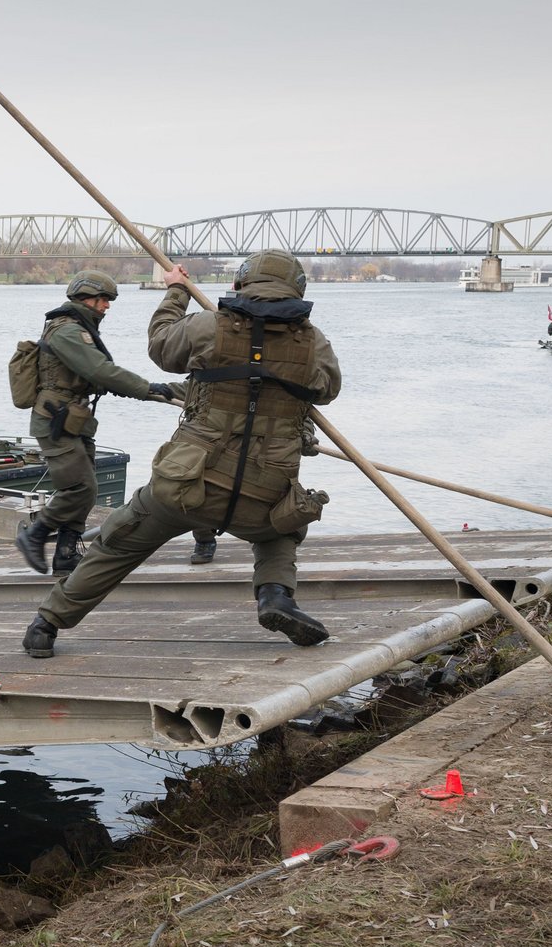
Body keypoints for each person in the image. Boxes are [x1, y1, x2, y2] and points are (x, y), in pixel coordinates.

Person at [23, 250, 342, 658]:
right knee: (282, 531)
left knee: (117, 545)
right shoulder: (313, 344)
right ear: (297, 289)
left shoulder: (208, 327)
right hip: (262, 491)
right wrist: (296, 333)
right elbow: (327, 390)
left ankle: (46, 624)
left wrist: (176, 292)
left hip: (187, 484)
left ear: (240, 283)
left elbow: (161, 346)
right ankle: (276, 596)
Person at [14, 270, 181, 576]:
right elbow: (100, 371)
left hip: (74, 419)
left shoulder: (80, 329)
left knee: (87, 490)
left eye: (108, 300)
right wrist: (146, 387)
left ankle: (65, 554)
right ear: (84, 298)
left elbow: (98, 376)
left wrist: (148, 389)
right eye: (103, 299)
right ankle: (34, 534)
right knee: (79, 487)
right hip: (55, 420)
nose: (107, 306)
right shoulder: (66, 331)